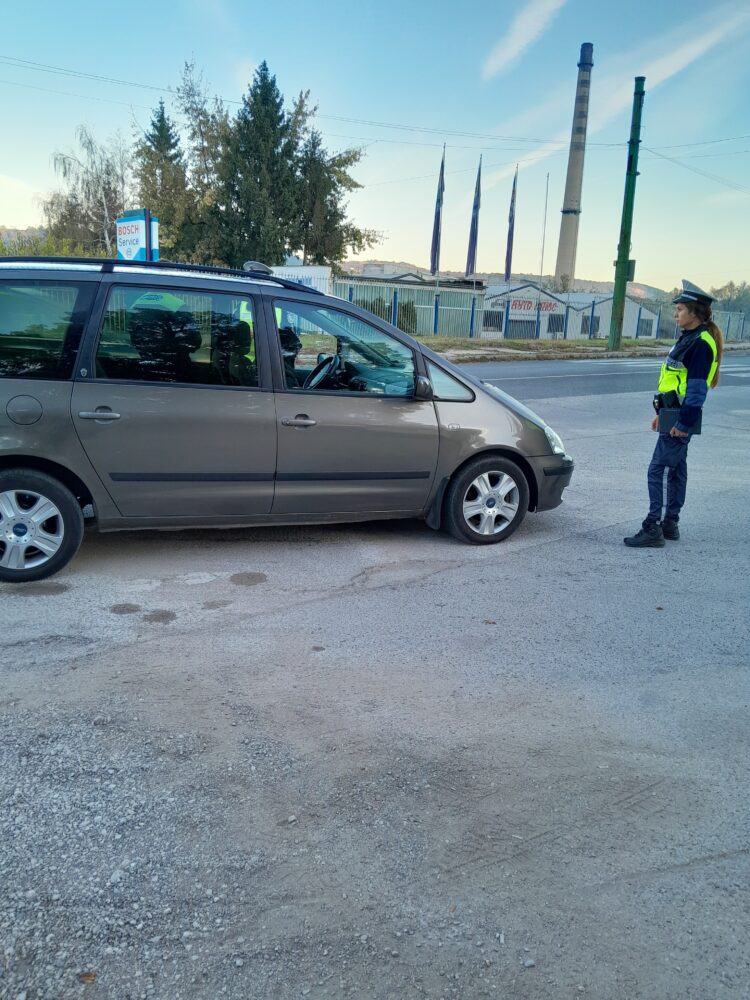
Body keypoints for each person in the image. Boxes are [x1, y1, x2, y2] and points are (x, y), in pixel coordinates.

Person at [624, 280, 723, 548]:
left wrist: (683, 422)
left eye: (680, 309)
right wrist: (662, 414)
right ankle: (670, 524)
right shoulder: (689, 338)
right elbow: (674, 383)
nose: (676, 314)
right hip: (672, 414)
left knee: (658, 470)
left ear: (694, 312)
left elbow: (696, 391)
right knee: (676, 470)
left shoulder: (700, 343)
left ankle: (653, 527)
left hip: (680, 417)